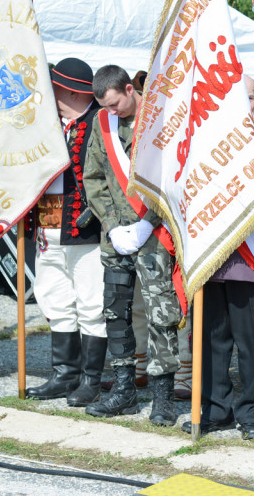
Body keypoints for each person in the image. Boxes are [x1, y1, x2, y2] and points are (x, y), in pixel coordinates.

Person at [180, 74, 254, 439]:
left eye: (251, 98)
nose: (245, 105)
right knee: (210, 340)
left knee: (253, 342)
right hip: (212, 259)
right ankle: (214, 407)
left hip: (250, 260)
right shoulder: (204, 141)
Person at [82, 65, 182, 425]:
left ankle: (162, 398)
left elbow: (174, 177)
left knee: (161, 315)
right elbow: (92, 177)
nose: (113, 112)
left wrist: (147, 222)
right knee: (115, 313)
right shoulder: (102, 123)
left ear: (129, 88)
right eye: (106, 107)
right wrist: (110, 225)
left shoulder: (160, 120)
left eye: (116, 104)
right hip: (115, 240)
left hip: (153, 235)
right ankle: (123, 390)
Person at [25, 58, 108, 406]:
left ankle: (91, 380)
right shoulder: (46, 124)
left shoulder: (100, 121)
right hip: (47, 225)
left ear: (70, 89)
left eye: (54, 87)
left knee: (91, 304)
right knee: (55, 299)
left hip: (85, 229)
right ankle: (64, 375)